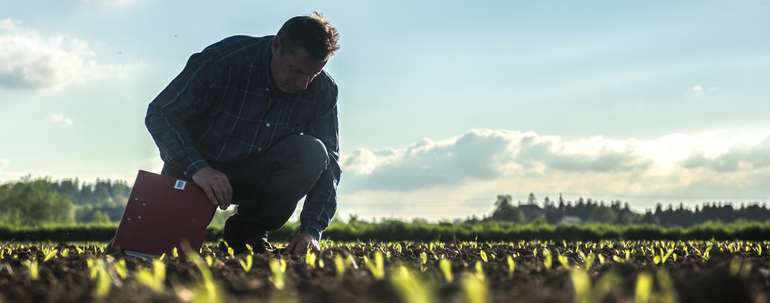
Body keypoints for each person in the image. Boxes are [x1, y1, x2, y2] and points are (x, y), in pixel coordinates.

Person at [144, 12, 341, 255]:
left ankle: (247, 233)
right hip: (196, 170)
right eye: (295, 70)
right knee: (155, 250)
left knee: (313, 152)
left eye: (313, 74)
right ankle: (167, 230)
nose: (303, 83)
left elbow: (329, 163)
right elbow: (161, 113)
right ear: (276, 46)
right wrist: (199, 168)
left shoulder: (323, 91)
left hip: (258, 174)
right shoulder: (224, 60)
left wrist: (312, 230)